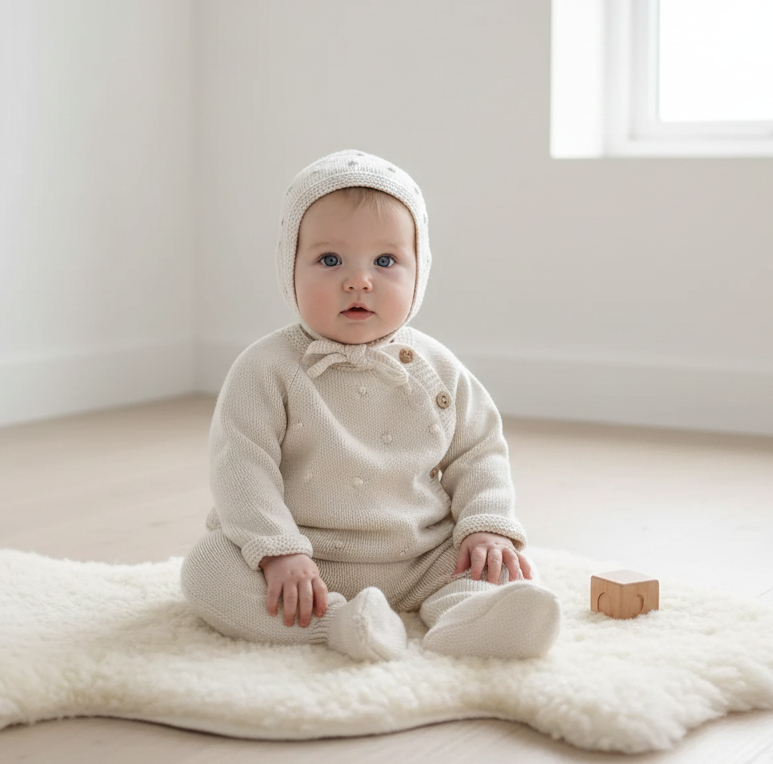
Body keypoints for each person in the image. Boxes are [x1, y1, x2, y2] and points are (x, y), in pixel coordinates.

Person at [181, 149, 561, 661]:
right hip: (305, 561)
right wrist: (277, 551)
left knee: (494, 565)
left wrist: (487, 524)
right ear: (289, 267)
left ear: (418, 270)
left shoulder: (437, 367)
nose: (359, 280)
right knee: (207, 569)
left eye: (385, 262)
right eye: (329, 260)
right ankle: (340, 623)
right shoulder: (266, 368)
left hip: (422, 553)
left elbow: (479, 451)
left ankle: (469, 617)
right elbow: (241, 466)